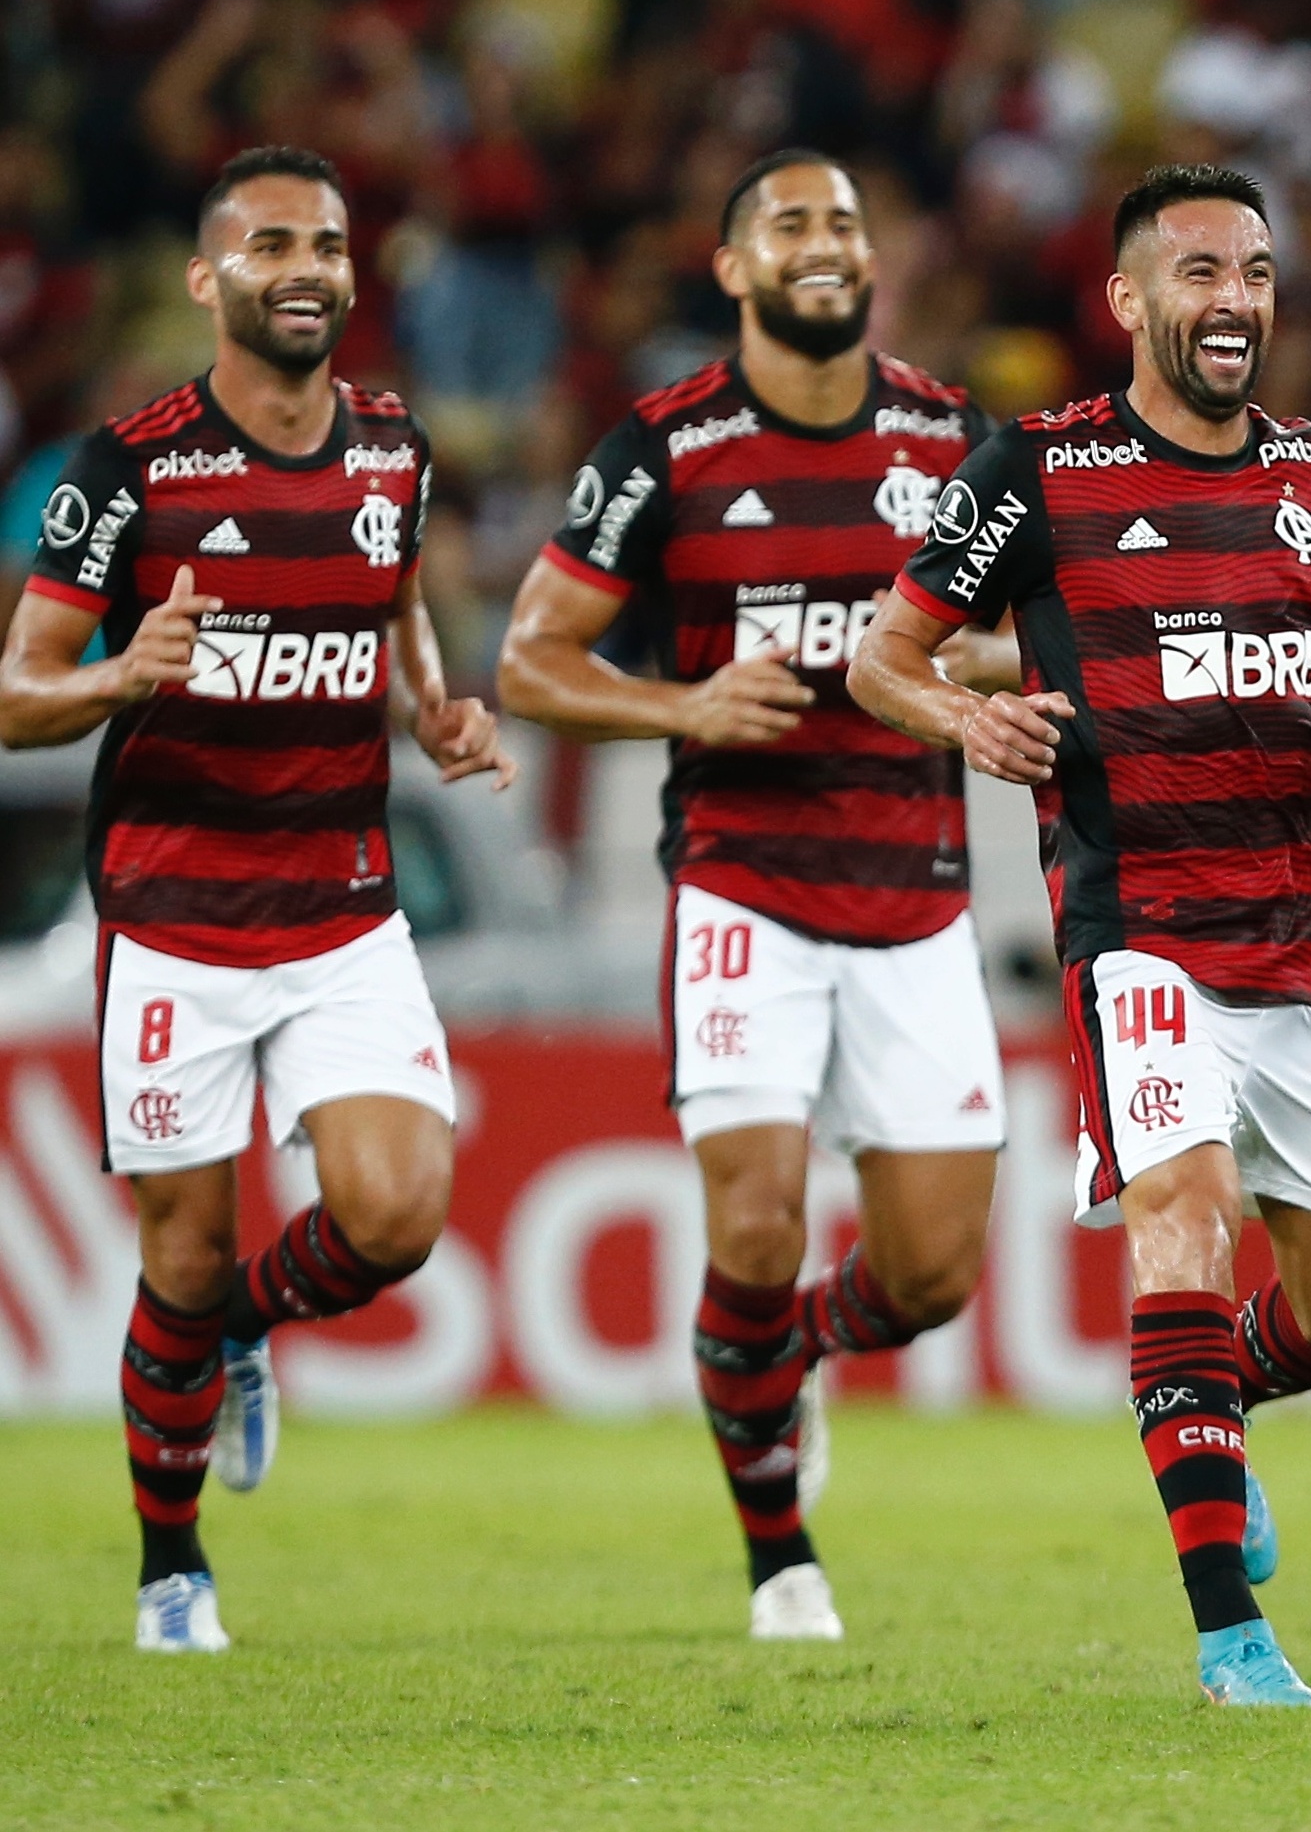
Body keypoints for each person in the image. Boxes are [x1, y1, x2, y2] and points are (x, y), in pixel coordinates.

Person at [849, 162, 1311, 1706]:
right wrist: (968, 714)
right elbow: (880, 660)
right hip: (1137, 925)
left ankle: (1203, 1405)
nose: (1234, 302)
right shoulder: (1031, 467)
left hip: (1301, 933)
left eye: (1256, 275)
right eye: (1201, 274)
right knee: (1184, 1210)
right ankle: (1231, 1632)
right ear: (1128, 299)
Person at [0, 146, 512, 1656]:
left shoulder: (391, 449)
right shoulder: (135, 467)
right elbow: (20, 693)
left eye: (329, 243)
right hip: (171, 913)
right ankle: (172, 1566)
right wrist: (121, 674)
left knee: (398, 1208)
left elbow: (401, 592)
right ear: (206, 278)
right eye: (271, 242)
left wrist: (434, 705)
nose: (306, 266)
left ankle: (237, 1334)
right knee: (179, 1251)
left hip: (344, 907)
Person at [497, 149, 1009, 1643]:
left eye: (845, 219)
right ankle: (779, 1553)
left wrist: (948, 665)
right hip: (743, 887)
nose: (823, 243)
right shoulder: (662, 449)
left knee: (926, 1276)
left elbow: (1021, 635)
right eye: (789, 223)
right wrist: (685, 708)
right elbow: (532, 662)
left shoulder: (948, 433)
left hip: (915, 892)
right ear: (731, 268)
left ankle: (792, 1352)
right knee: (755, 1220)